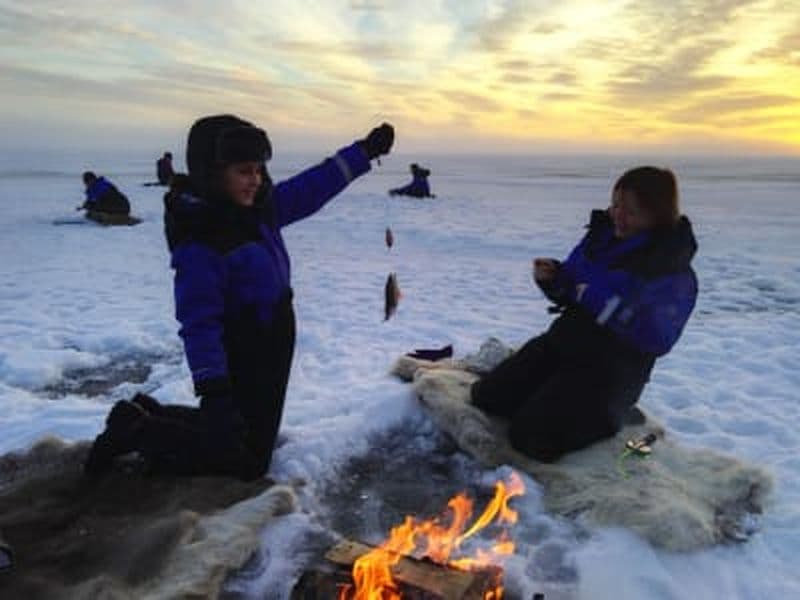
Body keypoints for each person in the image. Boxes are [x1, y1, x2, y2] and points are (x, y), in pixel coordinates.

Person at [85, 115, 394, 480]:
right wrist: (213, 389)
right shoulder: (203, 239)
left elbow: (314, 185)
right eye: (244, 171)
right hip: (245, 347)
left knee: (245, 433)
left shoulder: (261, 209)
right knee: (247, 459)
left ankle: (143, 414)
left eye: (259, 170)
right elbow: (199, 323)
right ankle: (139, 431)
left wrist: (363, 152)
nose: (256, 180)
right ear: (213, 173)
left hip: (273, 339)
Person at [471, 167, 698, 462]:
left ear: (658, 216)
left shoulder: (671, 269)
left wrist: (597, 301)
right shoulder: (601, 239)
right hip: (564, 343)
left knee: (530, 437)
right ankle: (555, 394)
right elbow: (571, 285)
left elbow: (657, 339)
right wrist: (554, 279)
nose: (618, 215)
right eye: (615, 205)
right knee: (487, 397)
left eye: (631, 211)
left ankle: (613, 414)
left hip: (612, 371)